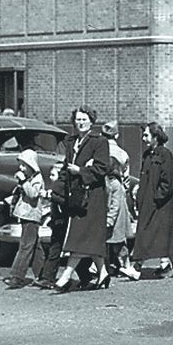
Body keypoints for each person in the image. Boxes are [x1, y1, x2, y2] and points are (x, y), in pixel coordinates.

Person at [52, 107, 110, 292]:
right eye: (78, 119)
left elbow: (102, 169)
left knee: (79, 235)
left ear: (91, 121)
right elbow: (64, 169)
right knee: (88, 237)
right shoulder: (71, 142)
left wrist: (81, 171)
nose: (81, 122)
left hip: (93, 197)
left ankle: (66, 275)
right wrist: (56, 192)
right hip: (76, 196)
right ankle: (103, 273)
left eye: (84, 119)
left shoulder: (99, 142)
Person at [131, 122, 173, 279]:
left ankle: (136, 268)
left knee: (148, 234)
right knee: (165, 236)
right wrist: (139, 196)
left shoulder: (165, 154)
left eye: (147, 135)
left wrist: (157, 198)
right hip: (148, 201)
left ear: (155, 137)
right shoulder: (147, 155)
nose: (144, 138)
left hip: (160, 204)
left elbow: (166, 181)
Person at [4, 149, 47, 289]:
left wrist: (23, 181)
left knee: (25, 246)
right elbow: (20, 195)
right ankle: (43, 274)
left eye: (24, 165)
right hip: (25, 215)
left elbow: (33, 194)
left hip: (31, 216)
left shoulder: (37, 179)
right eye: (20, 165)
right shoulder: (28, 179)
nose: (21, 168)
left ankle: (17, 276)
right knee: (35, 246)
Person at [101, 121, 136, 281]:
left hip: (103, 198)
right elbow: (127, 181)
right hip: (119, 196)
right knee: (118, 235)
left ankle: (108, 266)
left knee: (109, 236)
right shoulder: (123, 154)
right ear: (116, 135)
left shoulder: (98, 152)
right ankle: (119, 264)